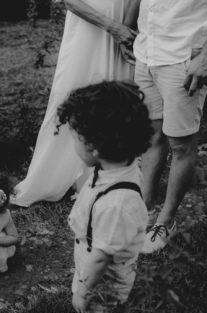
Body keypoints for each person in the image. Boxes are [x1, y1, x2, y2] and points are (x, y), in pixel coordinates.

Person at [58, 81, 152, 313]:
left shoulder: (117, 205)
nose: (73, 143)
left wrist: (82, 291)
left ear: (94, 146)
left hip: (102, 283)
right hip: (102, 268)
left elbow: (100, 259)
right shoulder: (118, 167)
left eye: (74, 137)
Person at [128, 0, 207, 253]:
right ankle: (145, 210)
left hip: (184, 52)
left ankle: (166, 221)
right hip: (148, 49)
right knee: (151, 134)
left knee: (180, 143)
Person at [10, 0, 138, 207]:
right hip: (87, 33)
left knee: (114, 101)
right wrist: (113, 27)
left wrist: (126, 32)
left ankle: (102, 179)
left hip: (123, 26)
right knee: (71, 95)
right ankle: (49, 177)